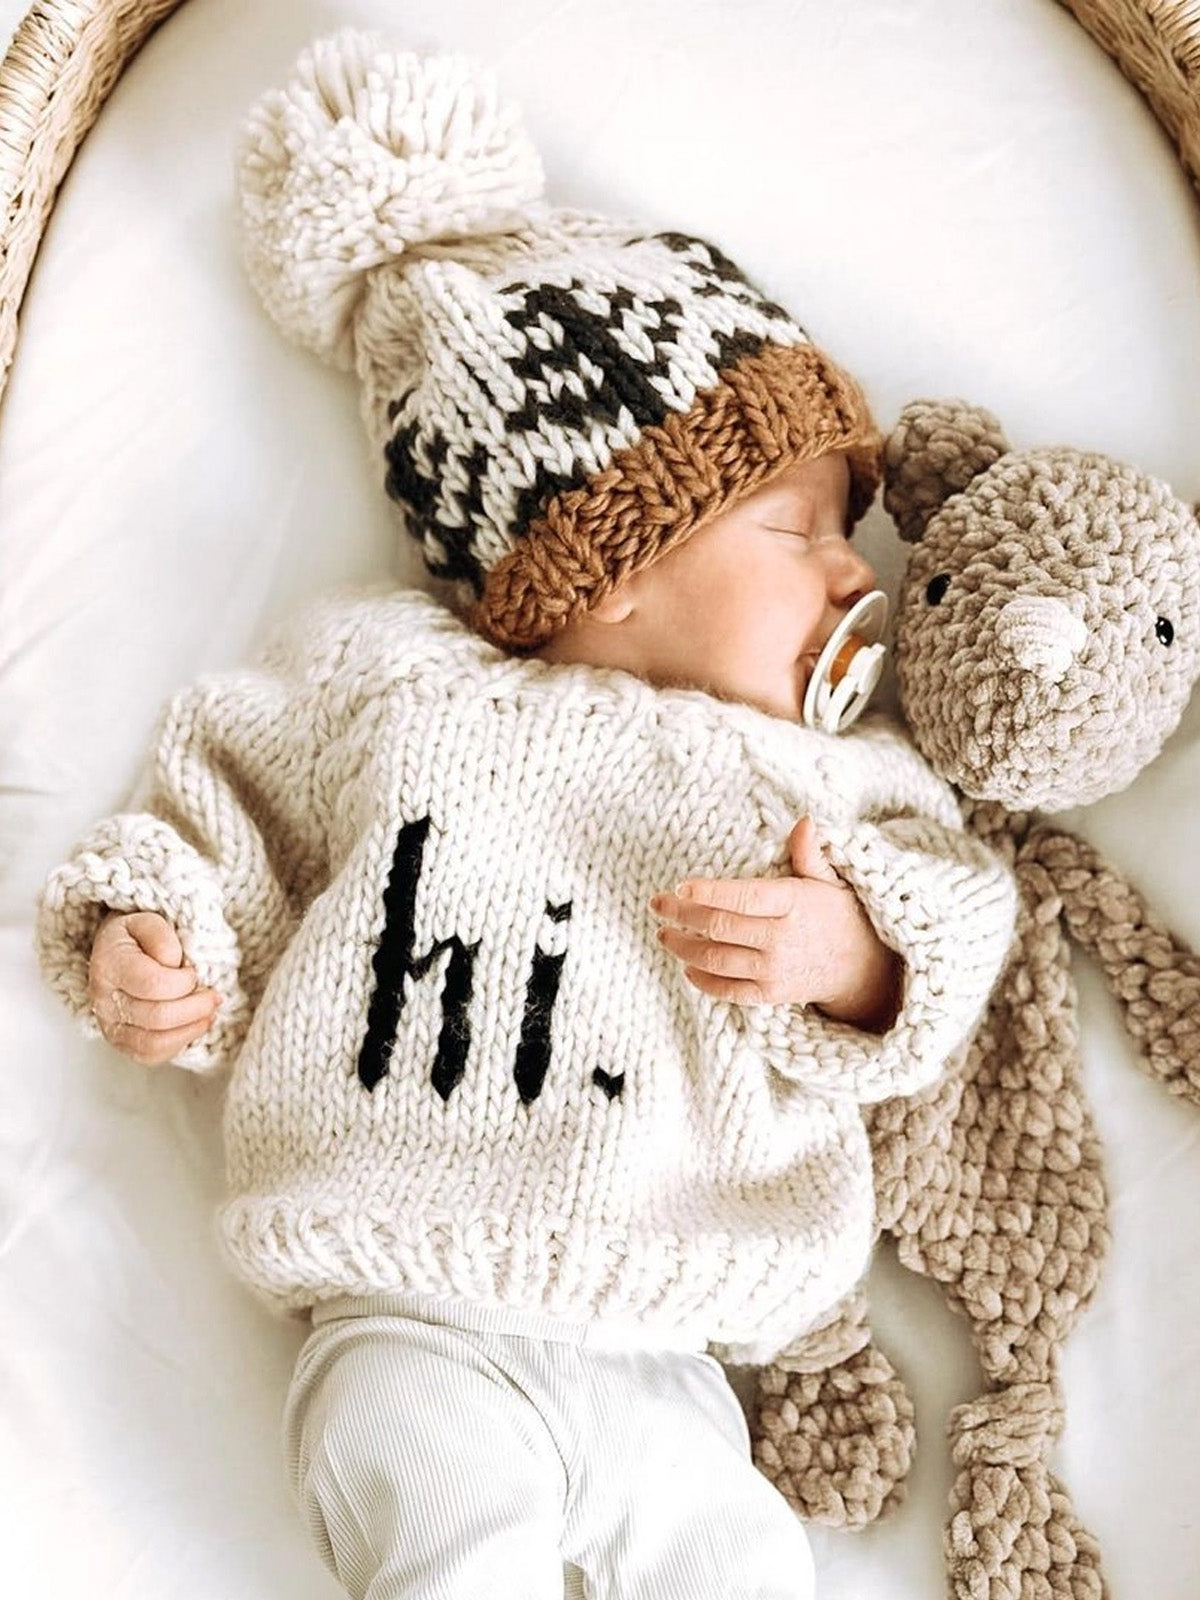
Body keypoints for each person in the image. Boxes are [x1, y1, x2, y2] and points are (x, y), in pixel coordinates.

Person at [35, 32, 1017, 1600]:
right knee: (448, 1551)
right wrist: (159, 935)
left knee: (745, 1567)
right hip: (398, 1305)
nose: (858, 576)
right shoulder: (385, 685)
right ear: (611, 558)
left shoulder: (830, 776)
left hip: (668, 1345)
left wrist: (852, 952)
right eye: (796, 528)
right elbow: (224, 801)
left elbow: (955, 916)